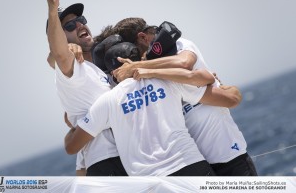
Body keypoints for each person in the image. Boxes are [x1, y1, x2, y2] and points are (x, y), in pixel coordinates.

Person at [64, 41, 243, 176]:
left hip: (150, 182)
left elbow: (72, 147)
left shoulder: (107, 101)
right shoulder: (168, 80)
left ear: (112, 72)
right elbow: (213, 86)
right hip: (190, 167)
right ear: (138, 60)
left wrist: (73, 125)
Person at [110, 17, 258, 176]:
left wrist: (139, 67)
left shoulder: (178, 45)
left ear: (143, 37)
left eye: (132, 48)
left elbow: (185, 63)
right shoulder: (144, 76)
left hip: (228, 153)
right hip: (196, 163)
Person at [44, 0, 127, 176]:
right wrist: (51, 9)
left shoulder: (106, 61)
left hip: (131, 157)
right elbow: (58, 54)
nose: (79, 25)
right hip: (108, 162)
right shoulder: (73, 70)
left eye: (80, 20)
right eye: (70, 25)